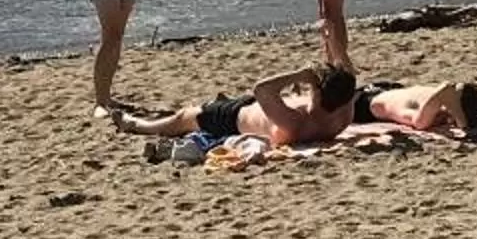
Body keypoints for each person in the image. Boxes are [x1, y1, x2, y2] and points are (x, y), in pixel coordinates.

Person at [112, 63, 360, 154]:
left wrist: (300, 74)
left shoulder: (296, 123)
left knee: (182, 118)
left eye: (313, 88)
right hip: (256, 108)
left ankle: (137, 125)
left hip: (232, 118)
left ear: (319, 95)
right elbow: (347, 82)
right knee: (206, 106)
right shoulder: (343, 116)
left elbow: (261, 89)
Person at [358, 77, 477, 138]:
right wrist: (461, 120)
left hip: (389, 89)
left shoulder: (445, 101)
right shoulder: (428, 109)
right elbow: (420, 124)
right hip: (362, 103)